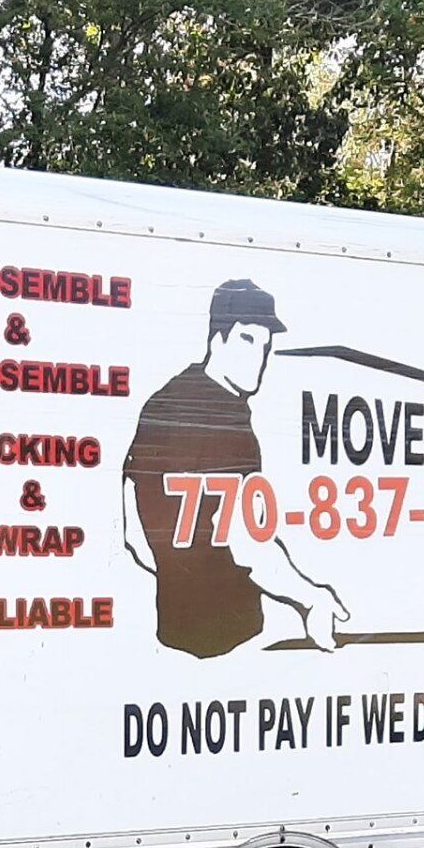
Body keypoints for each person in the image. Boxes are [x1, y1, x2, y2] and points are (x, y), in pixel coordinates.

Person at [123, 278, 348, 657]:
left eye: (266, 345)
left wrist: (181, 585)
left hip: (173, 638)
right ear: (218, 339)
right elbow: (247, 543)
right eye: (247, 340)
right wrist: (310, 598)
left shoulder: (163, 403)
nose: (258, 358)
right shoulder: (218, 420)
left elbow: (135, 532)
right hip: (235, 648)